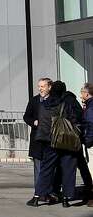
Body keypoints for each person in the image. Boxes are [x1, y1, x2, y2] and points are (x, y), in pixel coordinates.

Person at [30, 80, 83, 208]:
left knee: (46, 169)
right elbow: (78, 118)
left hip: (50, 142)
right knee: (68, 170)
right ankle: (66, 199)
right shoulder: (70, 102)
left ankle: (37, 196)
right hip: (67, 142)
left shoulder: (46, 103)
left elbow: (43, 123)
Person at [23, 77, 52, 205]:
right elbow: (26, 116)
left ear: (49, 87)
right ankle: (39, 193)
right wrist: (33, 122)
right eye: (39, 86)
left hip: (51, 139)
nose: (40, 89)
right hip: (37, 139)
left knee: (50, 167)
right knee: (38, 168)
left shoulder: (54, 101)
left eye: (43, 86)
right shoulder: (34, 101)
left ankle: (48, 193)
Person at [79, 83, 93, 203]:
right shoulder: (88, 106)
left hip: (91, 143)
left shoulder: (90, 108)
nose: (81, 95)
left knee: (92, 169)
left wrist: (87, 141)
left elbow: (90, 125)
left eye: (82, 92)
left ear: (87, 94)